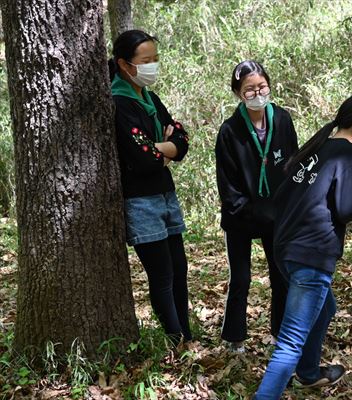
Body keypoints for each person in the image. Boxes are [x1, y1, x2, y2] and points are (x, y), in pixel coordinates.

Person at [254, 93, 352, 399]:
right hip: (311, 253)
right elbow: (348, 207)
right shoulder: (350, 155)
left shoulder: (317, 148)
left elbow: (282, 196)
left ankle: (309, 374)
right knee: (291, 340)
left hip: (286, 248)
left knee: (326, 308)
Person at [109, 30, 192, 344]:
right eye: (147, 61)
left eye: (155, 59)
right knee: (162, 275)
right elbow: (143, 160)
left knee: (180, 269)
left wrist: (161, 148)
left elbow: (182, 141)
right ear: (125, 65)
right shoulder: (119, 102)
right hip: (140, 200)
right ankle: (176, 341)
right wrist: (164, 147)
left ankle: (187, 334)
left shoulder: (150, 98)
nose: (153, 65)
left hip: (166, 194)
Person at [215, 60, 299, 351]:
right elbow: (228, 185)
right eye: (249, 89)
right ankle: (234, 338)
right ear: (238, 93)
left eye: (261, 86)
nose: (257, 93)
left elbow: (294, 164)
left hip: (277, 216)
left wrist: (292, 204)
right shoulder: (229, 131)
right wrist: (250, 210)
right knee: (241, 278)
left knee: (282, 276)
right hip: (241, 217)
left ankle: (281, 333)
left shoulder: (283, 120)